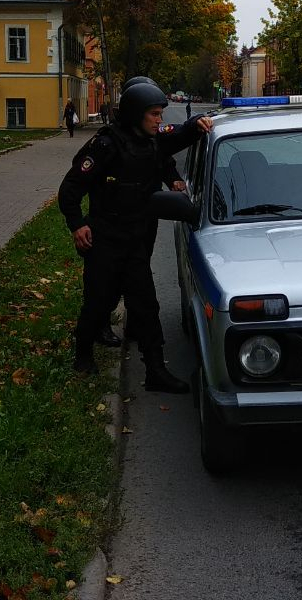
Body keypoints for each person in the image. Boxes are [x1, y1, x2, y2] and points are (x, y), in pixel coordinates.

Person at [58, 82, 213, 392]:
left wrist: (197, 125)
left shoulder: (152, 142)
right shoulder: (106, 145)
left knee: (146, 306)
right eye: (154, 114)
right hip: (104, 239)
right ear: (134, 115)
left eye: (160, 115)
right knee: (97, 302)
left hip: (135, 239)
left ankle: (155, 371)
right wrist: (77, 225)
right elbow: (70, 189)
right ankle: (83, 356)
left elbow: (177, 137)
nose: (159, 120)